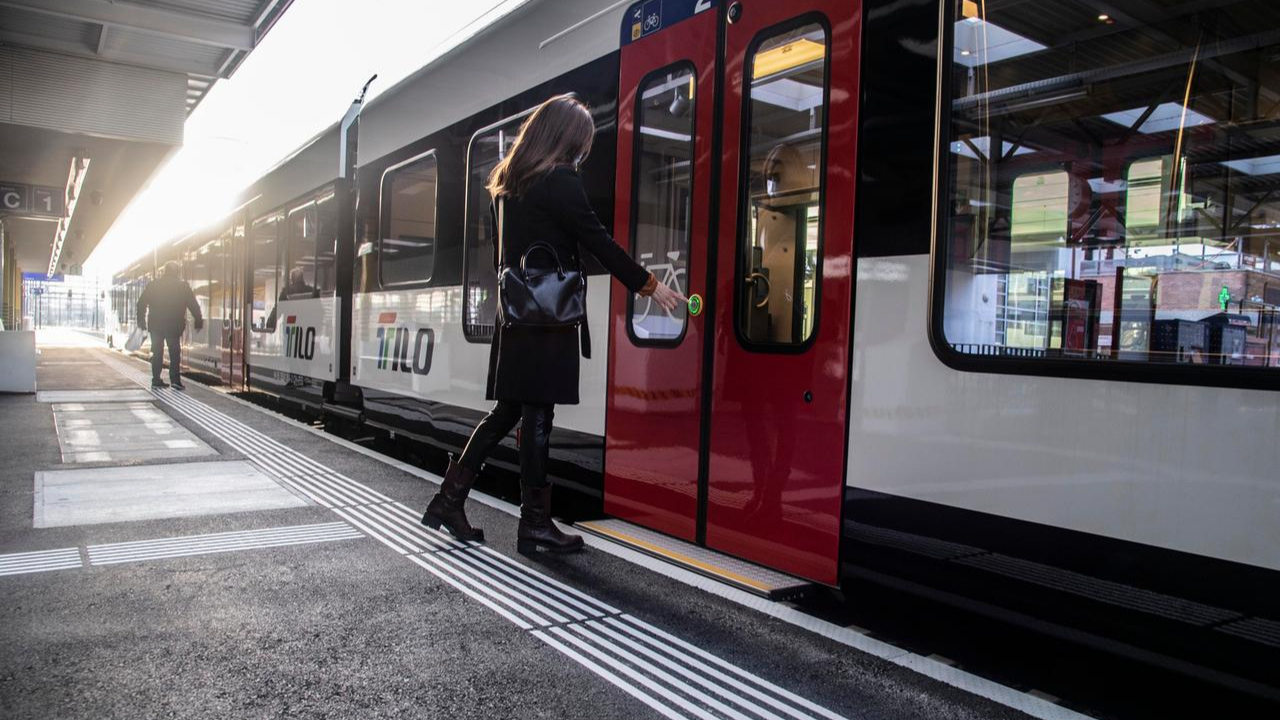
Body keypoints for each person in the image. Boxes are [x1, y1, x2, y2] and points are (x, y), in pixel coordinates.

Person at [422, 94, 685, 553]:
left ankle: (450, 499)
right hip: (547, 318)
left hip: (516, 317)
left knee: (507, 412)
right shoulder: (560, 181)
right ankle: (534, 525)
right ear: (566, 139)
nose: (583, 153)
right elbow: (598, 242)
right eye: (581, 143)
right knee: (537, 417)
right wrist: (650, 285)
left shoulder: (506, 185)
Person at [136, 260, 203, 390]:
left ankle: (156, 380)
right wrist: (198, 320)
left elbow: (141, 303)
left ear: (164, 271)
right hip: (174, 326)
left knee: (157, 352)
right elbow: (193, 304)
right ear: (177, 272)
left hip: (156, 326)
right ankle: (175, 381)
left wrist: (141, 323)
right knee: (174, 352)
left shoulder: (154, 285)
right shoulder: (182, 286)